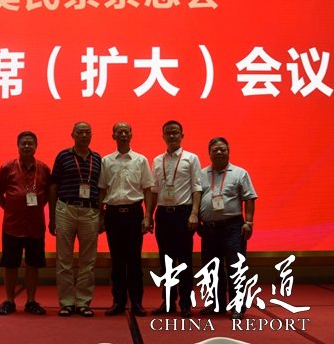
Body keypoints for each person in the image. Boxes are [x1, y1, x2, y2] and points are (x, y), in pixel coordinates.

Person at [144, 120, 202, 318]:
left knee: (184, 261)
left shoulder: (191, 158)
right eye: (168, 133)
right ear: (163, 136)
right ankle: (168, 302)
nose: (171, 136)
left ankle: (185, 303)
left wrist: (194, 213)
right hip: (163, 214)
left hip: (183, 214)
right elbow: (154, 191)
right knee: (166, 261)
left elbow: (197, 188)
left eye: (175, 132)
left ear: (182, 135)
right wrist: (149, 215)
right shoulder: (157, 160)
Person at [98, 122, 154, 317]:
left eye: (126, 131)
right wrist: (100, 216)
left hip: (133, 214)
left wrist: (148, 216)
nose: (123, 134)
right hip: (113, 214)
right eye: (119, 132)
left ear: (131, 135)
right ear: (113, 136)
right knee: (117, 260)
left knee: (134, 260)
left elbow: (148, 190)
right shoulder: (106, 161)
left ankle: (137, 302)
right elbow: (102, 190)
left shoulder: (141, 160)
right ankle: (118, 302)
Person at [198, 137, 257, 320]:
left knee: (235, 267)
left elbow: (249, 198)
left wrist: (249, 222)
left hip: (232, 228)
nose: (218, 152)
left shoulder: (240, 173)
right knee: (211, 269)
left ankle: (238, 306)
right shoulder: (201, 174)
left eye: (222, 149)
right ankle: (216, 305)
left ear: (228, 151)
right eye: (215, 150)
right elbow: (196, 198)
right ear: (209, 153)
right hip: (208, 229)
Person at [48, 122, 102, 317]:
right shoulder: (63, 156)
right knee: (64, 259)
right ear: (72, 135)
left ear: (91, 135)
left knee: (88, 260)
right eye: (80, 132)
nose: (84, 135)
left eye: (88, 132)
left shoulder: (98, 158)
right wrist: (52, 216)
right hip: (66, 209)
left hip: (90, 212)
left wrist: (101, 215)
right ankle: (66, 303)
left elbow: (101, 189)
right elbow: (53, 186)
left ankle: (83, 303)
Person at [0, 131, 51, 316]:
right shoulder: (7, 167)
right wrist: (10, 208)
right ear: (18, 146)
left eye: (30, 143)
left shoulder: (44, 168)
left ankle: (31, 301)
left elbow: (47, 195)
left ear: (36, 146)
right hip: (13, 225)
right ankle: (9, 301)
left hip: (35, 225)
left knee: (33, 265)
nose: (27, 146)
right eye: (23, 143)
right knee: (10, 265)